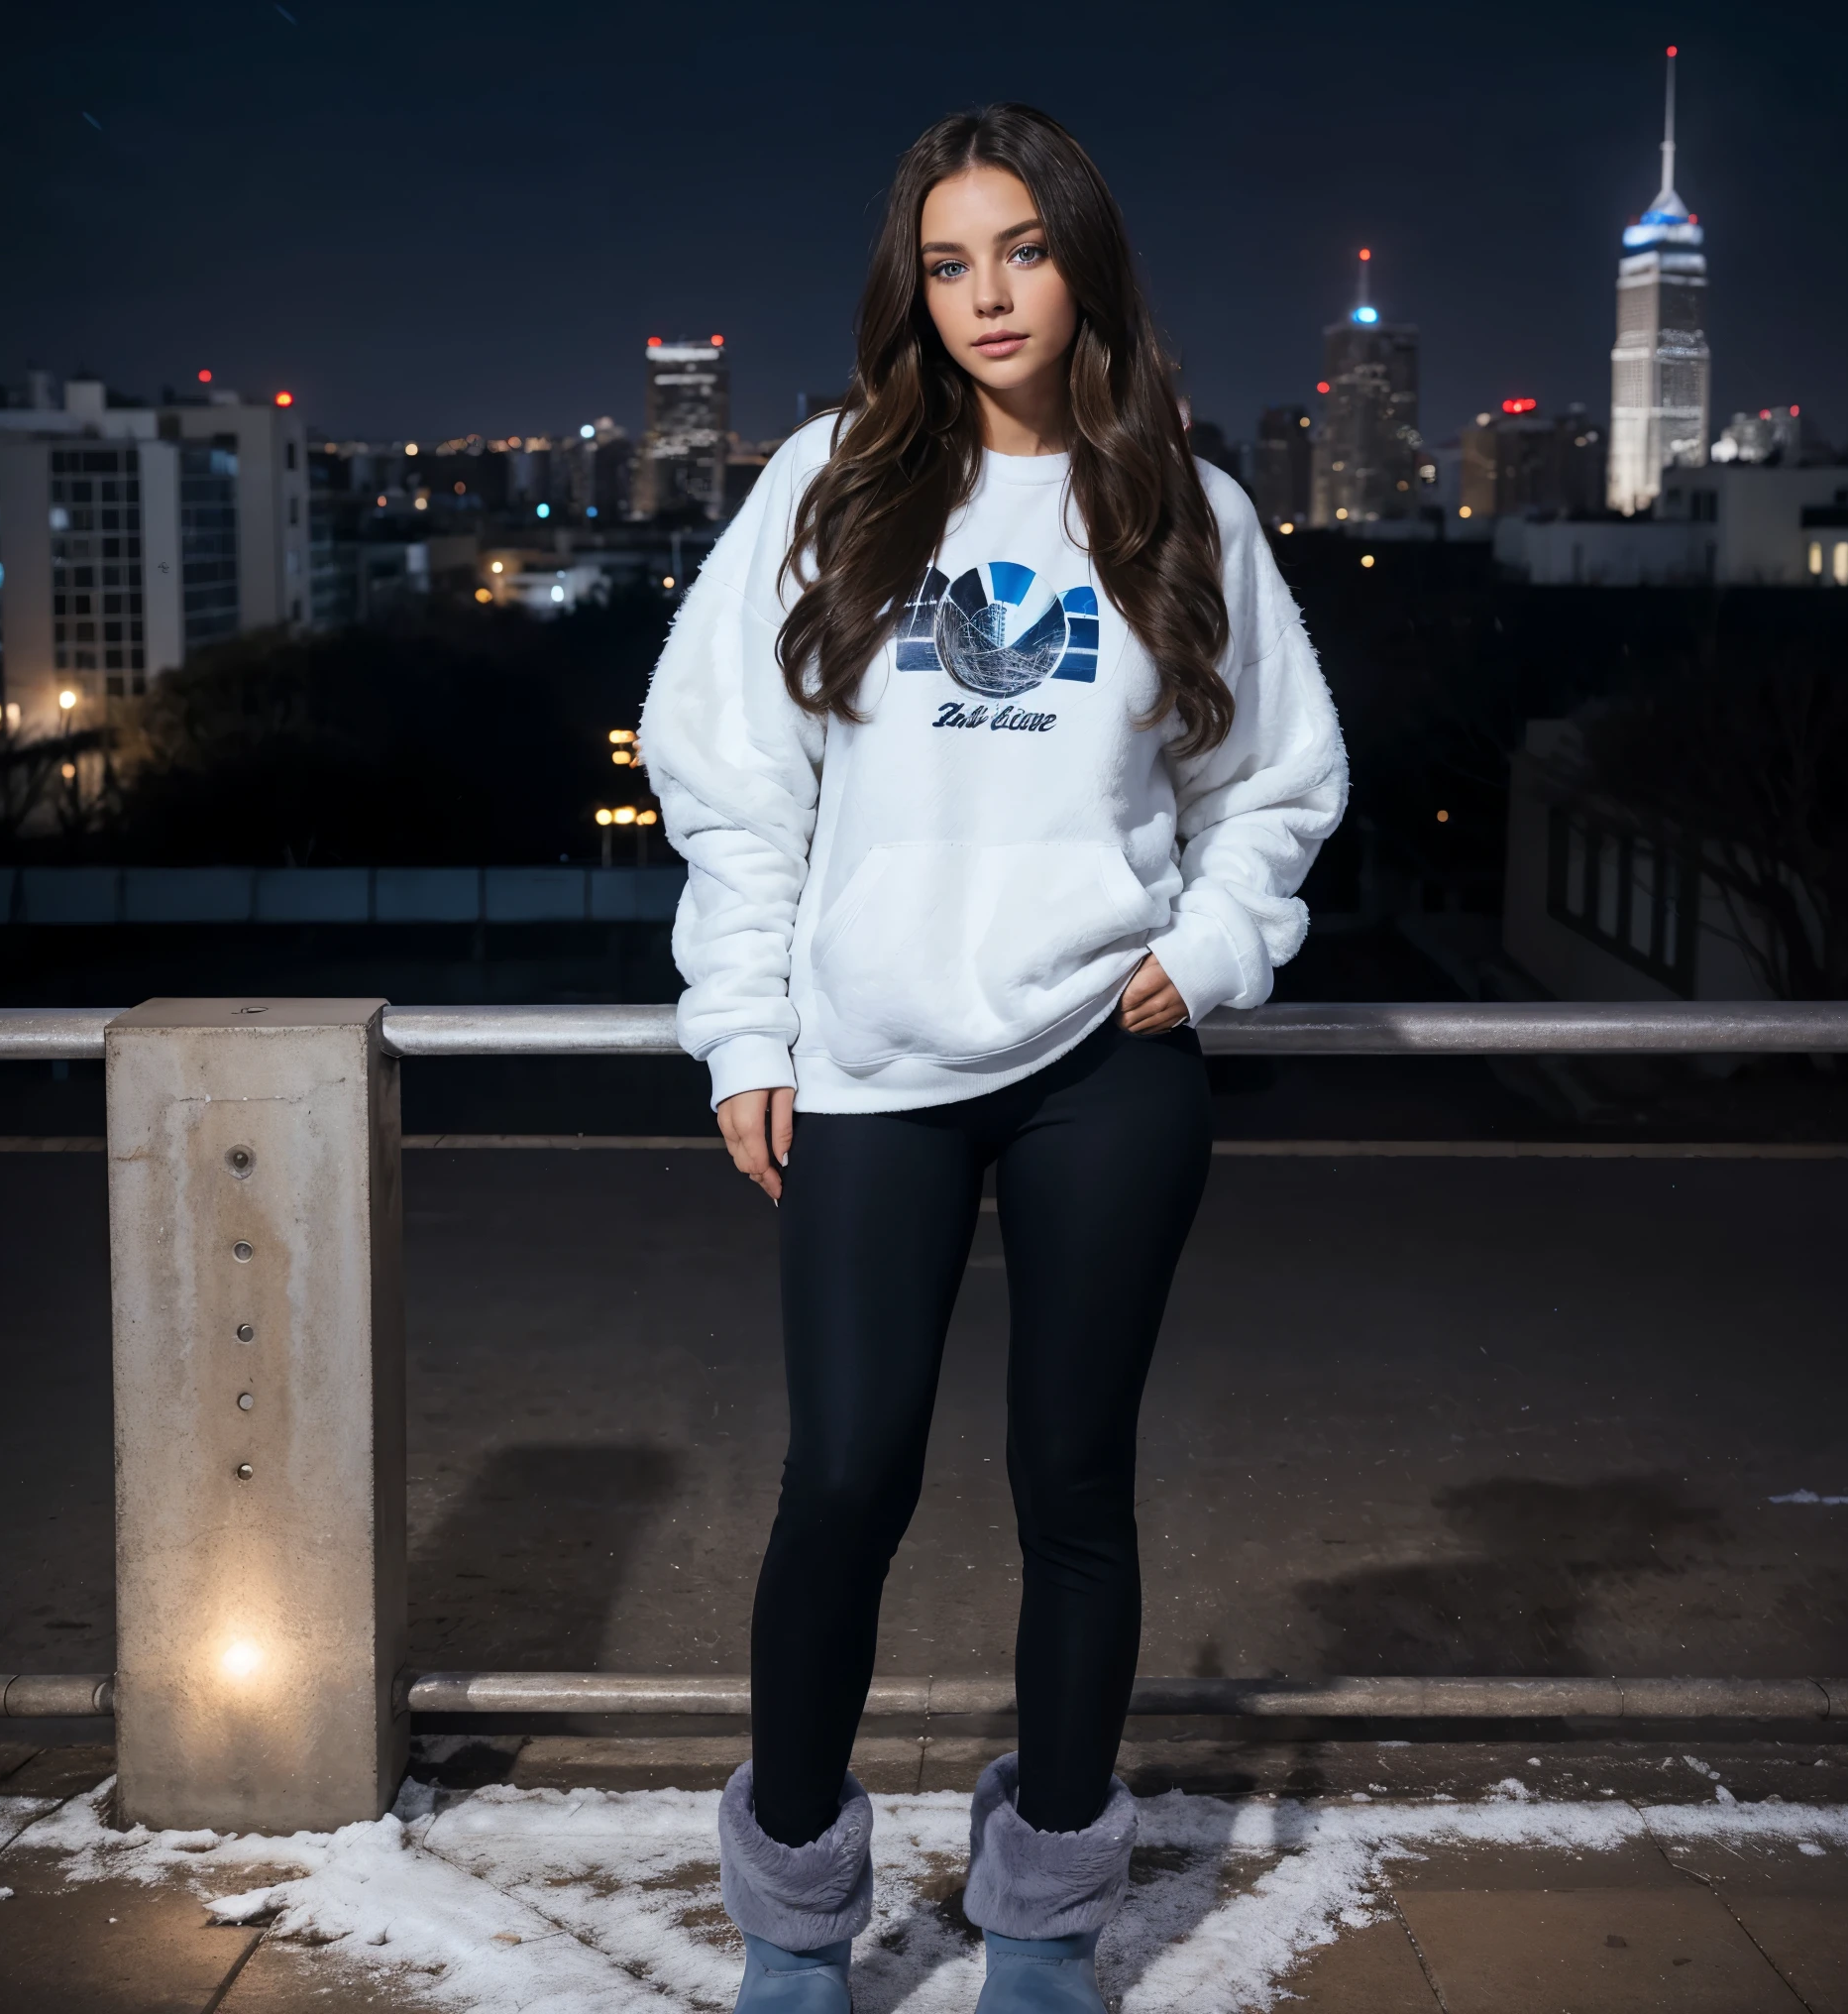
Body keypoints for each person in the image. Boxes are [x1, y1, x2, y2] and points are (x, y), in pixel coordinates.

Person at [640, 103, 1347, 2014]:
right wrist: (743, 1035)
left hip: (1102, 1066)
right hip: (869, 1065)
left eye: (1020, 250)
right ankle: (796, 1928)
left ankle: (1042, 1919)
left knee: (1073, 1486)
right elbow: (729, 794)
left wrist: (1208, 950)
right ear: (911, 287)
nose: (985, 295)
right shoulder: (831, 480)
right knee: (846, 1479)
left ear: (1083, 261)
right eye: (947, 263)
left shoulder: (1183, 505)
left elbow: (1274, 780)